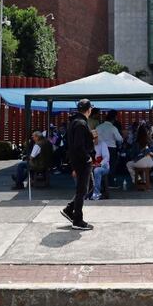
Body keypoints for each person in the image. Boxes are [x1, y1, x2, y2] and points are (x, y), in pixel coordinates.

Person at [60, 98, 94, 231]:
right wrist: (87, 158)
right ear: (89, 109)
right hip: (81, 161)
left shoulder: (75, 122)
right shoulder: (80, 123)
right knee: (82, 190)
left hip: (78, 160)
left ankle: (69, 209)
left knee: (88, 187)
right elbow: (79, 145)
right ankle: (77, 220)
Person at [90, 129, 110, 200]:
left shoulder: (103, 144)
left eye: (96, 138)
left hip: (104, 167)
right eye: (93, 138)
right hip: (92, 166)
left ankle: (96, 193)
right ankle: (85, 193)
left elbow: (106, 157)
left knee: (97, 170)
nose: (94, 140)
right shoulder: (88, 146)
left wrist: (100, 164)